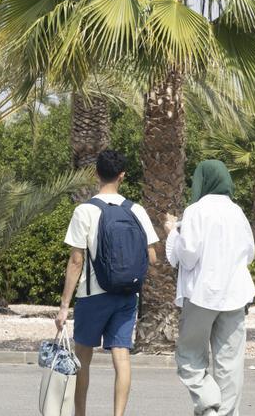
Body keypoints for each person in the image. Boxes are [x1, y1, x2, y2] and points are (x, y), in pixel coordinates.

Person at [56, 150, 159, 416]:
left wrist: (64, 306)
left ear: (96, 174)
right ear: (122, 175)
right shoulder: (136, 210)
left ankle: (80, 413)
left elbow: (76, 260)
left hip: (92, 296)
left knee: (83, 358)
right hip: (127, 294)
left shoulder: (85, 211)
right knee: (121, 357)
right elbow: (152, 256)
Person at [165, 160, 255, 416]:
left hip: (201, 295)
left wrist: (173, 232)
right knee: (230, 363)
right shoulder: (237, 212)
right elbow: (249, 254)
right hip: (235, 295)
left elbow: (188, 255)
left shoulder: (196, 211)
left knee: (189, 357)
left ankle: (209, 407)